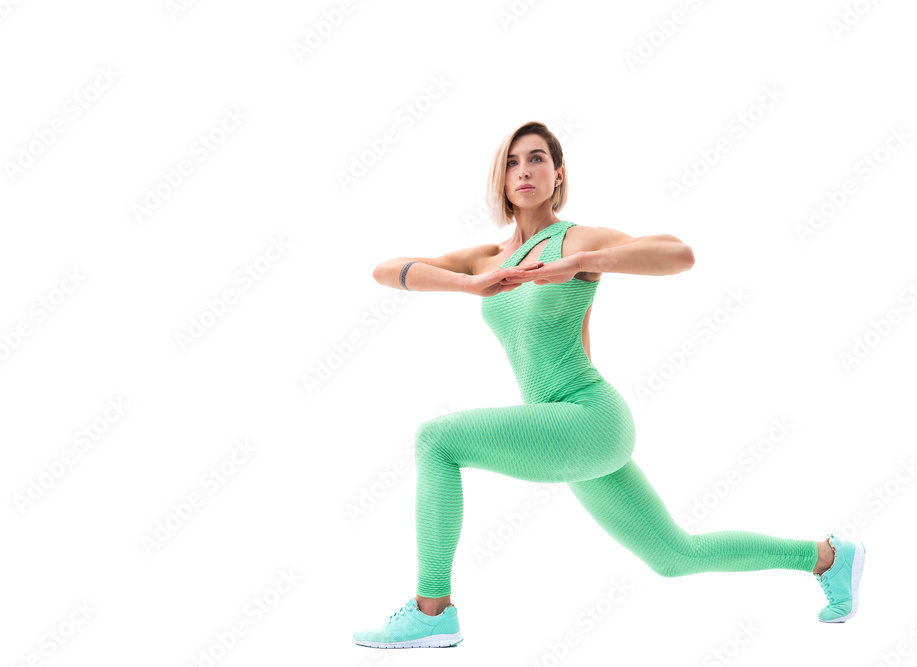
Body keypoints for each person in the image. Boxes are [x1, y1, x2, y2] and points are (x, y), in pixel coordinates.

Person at [353, 121, 866, 649]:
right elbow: (387, 271)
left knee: (436, 439)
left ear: (558, 174)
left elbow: (678, 254)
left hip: (589, 417)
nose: (523, 171)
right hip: (560, 427)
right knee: (675, 557)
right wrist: (469, 283)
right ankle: (827, 556)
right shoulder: (486, 259)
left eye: (536, 159)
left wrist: (581, 263)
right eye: (511, 162)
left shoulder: (576, 239)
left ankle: (431, 609)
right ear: (500, 178)